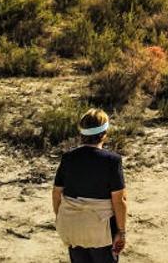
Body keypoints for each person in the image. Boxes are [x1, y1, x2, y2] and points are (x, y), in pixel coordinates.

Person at [53, 109, 128, 262]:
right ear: (104, 133)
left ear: (82, 134)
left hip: (72, 227)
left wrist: (61, 218)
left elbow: (56, 193)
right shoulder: (112, 161)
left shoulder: (68, 158)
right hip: (101, 232)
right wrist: (121, 232)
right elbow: (119, 201)